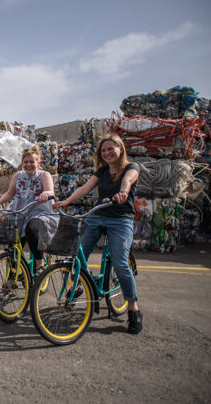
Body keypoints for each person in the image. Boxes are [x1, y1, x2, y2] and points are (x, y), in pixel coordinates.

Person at [53, 134, 142, 334]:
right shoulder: (101, 171)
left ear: (120, 149)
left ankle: (133, 308)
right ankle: (80, 284)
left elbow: (128, 181)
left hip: (121, 219)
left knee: (119, 263)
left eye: (111, 149)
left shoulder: (131, 167)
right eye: (104, 150)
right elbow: (85, 188)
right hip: (98, 216)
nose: (107, 153)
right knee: (78, 255)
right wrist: (66, 202)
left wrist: (124, 192)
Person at [0, 146, 58, 273]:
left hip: (39, 213)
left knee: (31, 229)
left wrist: (46, 194)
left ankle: (40, 262)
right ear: (22, 163)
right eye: (26, 162)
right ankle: (10, 283)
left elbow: (50, 190)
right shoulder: (18, 175)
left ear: (38, 163)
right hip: (20, 213)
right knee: (14, 248)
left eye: (32, 162)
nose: (28, 165)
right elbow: (10, 193)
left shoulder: (44, 175)